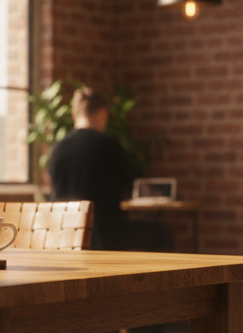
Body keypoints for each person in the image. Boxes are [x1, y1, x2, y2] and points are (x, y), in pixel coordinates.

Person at [47, 87, 172, 251]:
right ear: (103, 113)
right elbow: (128, 186)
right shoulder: (108, 146)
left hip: (67, 236)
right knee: (163, 233)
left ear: (74, 115)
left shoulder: (56, 150)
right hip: (104, 234)